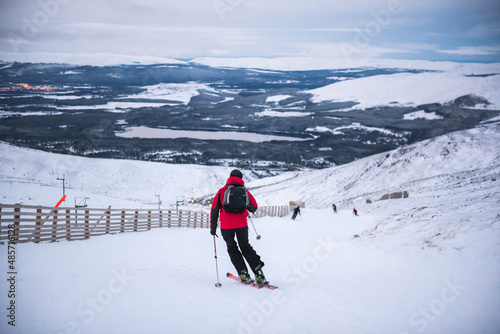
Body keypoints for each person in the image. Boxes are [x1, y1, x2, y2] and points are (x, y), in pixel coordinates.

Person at [210, 169, 266, 284]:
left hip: (226, 226)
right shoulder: (244, 191)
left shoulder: (222, 191)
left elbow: (214, 210)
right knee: (245, 247)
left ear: (230, 177)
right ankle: (259, 274)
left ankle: (243, 274)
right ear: (241, 178)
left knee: (232, 248)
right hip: (241, 225)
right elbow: (254, 206)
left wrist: (213, 228)